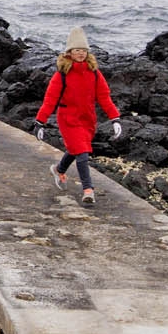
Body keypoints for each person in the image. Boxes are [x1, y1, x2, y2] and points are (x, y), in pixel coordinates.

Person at [34, 27, 122, 206]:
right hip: (68, 119)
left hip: (88, 119)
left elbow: (104, 97)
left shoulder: (95, 73)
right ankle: (88, 190)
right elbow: (50, 100)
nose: (80, 53)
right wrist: (39, 122)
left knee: (76, 150)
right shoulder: (62, 75)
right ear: (69, 52)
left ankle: (59, 170)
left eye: (83, 50)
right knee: (82, 153)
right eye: (77, 50)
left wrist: (115, 118)